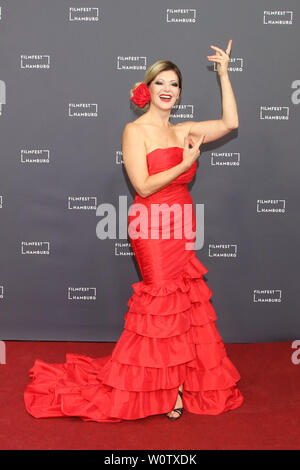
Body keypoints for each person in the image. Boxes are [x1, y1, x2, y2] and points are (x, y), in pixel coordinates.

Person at [24, 40, 244, 422]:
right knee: (161, 302)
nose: (167, 88)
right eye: (161, 81)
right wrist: (185, 163)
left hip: (182, 221)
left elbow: (230, 123)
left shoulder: (185, 129)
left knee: (183, 303)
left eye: (174, 84)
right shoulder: (134, 131)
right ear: (148, 89)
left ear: (178, 94)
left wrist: (224, 73)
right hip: (151, 225)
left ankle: (175, 382)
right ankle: (161, 387)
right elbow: (143, 186)